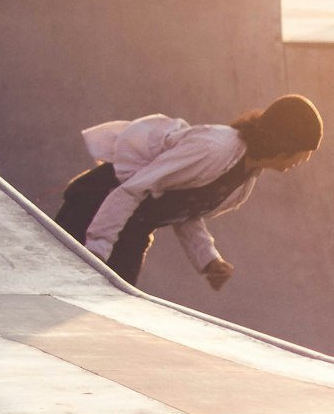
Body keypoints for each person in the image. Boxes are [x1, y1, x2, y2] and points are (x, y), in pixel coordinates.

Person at [54, 93, 323, 288]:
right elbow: (132, 189)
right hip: (98, 206)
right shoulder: (212, 148)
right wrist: (97, 251)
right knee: (69, 296)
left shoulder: (243, 180)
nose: (305, 159)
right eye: (305, 151)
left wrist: (207, 259)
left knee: (111, 310)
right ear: (285, 142)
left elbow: (184, 209)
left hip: (132, 230)